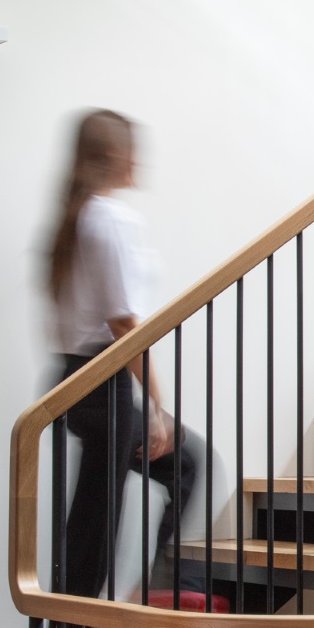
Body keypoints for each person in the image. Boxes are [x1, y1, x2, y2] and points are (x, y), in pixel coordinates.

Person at [45, 109, 203, 601]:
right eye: (133, 148)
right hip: (101, 381)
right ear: (117, 155)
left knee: (176, 469)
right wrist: (155, 408)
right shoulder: (109, 219)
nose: (140, 159)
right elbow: (124, 325)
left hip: (76, 378)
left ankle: (163, 582)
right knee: (94, 530)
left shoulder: (77, 219)